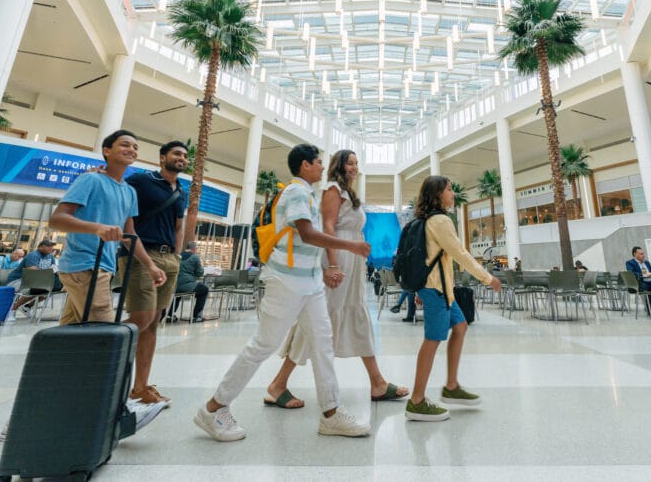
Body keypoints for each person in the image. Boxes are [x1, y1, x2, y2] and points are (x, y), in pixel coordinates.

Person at [194, 144, 372, 442]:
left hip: (310, 283)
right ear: (304, 165)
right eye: (317, 162)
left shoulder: (309, 194)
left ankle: (330, 414)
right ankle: (213, 408)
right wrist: (350, 246)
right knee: (263, 344)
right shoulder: (296, 192)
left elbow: (305, 241)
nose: (322, 166)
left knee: (323, 343)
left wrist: (322, 271)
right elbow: (308, 234)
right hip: (287, 282)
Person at [44, 129, 168, 432]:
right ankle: (114, 414)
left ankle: (43, 407)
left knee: (68, 341)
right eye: (124, 144)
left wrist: (150, 265)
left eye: (135, 146)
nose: (131, 149)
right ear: (107, 151)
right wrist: (97, 228)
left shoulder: (129, 192)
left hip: (103, 268)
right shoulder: (90, 180)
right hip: (84, 266)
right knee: (105, 340)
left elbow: (129, 235)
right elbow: (57, 219)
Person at [269, 149, 409, 408]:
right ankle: (278, 384)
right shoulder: (333, 189)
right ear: (339, 166)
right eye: (349, 163)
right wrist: (333, 263)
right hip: (339, 257)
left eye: (356, 163)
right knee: (318, 318)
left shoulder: (348, 192)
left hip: (352, 259)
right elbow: (328, 227)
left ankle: (377, 382)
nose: (354, 167)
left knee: (356, 315)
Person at [405, 175, 502, 422]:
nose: (453, 193)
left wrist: (419, 289)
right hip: (436, 290)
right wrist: (487, 278)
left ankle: (451, 386)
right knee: (432, 340)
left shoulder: (426, 219)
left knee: (460, 326)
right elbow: (461, 254)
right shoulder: (440, 221)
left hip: (440, 289)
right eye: (448, 189)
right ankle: (416, 401)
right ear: (437, 194)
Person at [121, 140, 189, 408]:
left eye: (185, 155)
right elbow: (120, 197)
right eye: (176, 153)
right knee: (142, 317)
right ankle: (101, 343)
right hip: (142, 255)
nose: (182, 158)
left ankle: (141, 386)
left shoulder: (180, 190)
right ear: (162, 158)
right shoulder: (141, 181)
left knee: (152, 322)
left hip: (168, 259)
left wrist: (177, 256)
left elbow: (179, 226)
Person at [6, 239, 57, 314]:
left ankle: (27, 307)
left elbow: (54, 269)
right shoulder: (33, 255)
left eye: (52, 246)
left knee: (49, 290)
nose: (51, 248)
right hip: (18, 280)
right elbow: (33, 271)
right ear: (40, 247)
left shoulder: (50, 257)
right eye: (48, 246)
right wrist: (48, 273)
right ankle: (12, 309)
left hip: (35, 281)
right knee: (35, 289)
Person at [173, 241, 208, 323]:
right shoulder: (195, 257)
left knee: (177, 294)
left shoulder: (178, 255)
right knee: (204, 289)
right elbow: (199, 273)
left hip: (174, 285)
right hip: (187, 285)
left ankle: (169, 315)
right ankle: (197, 316)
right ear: (195, 249)